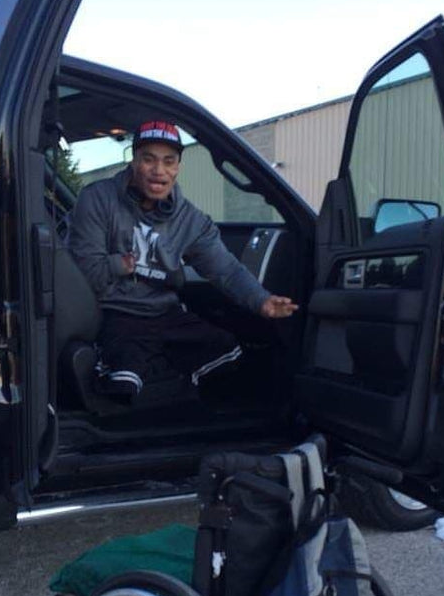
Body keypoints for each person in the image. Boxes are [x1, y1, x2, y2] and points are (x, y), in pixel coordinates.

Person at [69, 120, 298, 401]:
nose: (159, 171)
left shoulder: (190, 219)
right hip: (115, 314)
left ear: (177, 167)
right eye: (148, 159)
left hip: (166, 315)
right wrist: (120, 264)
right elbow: (83, 274)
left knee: (230, 356)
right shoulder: (97, 199)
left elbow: (225, 269)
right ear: (133, 161)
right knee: (123, 385)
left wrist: (261, 300)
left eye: (169, 161)